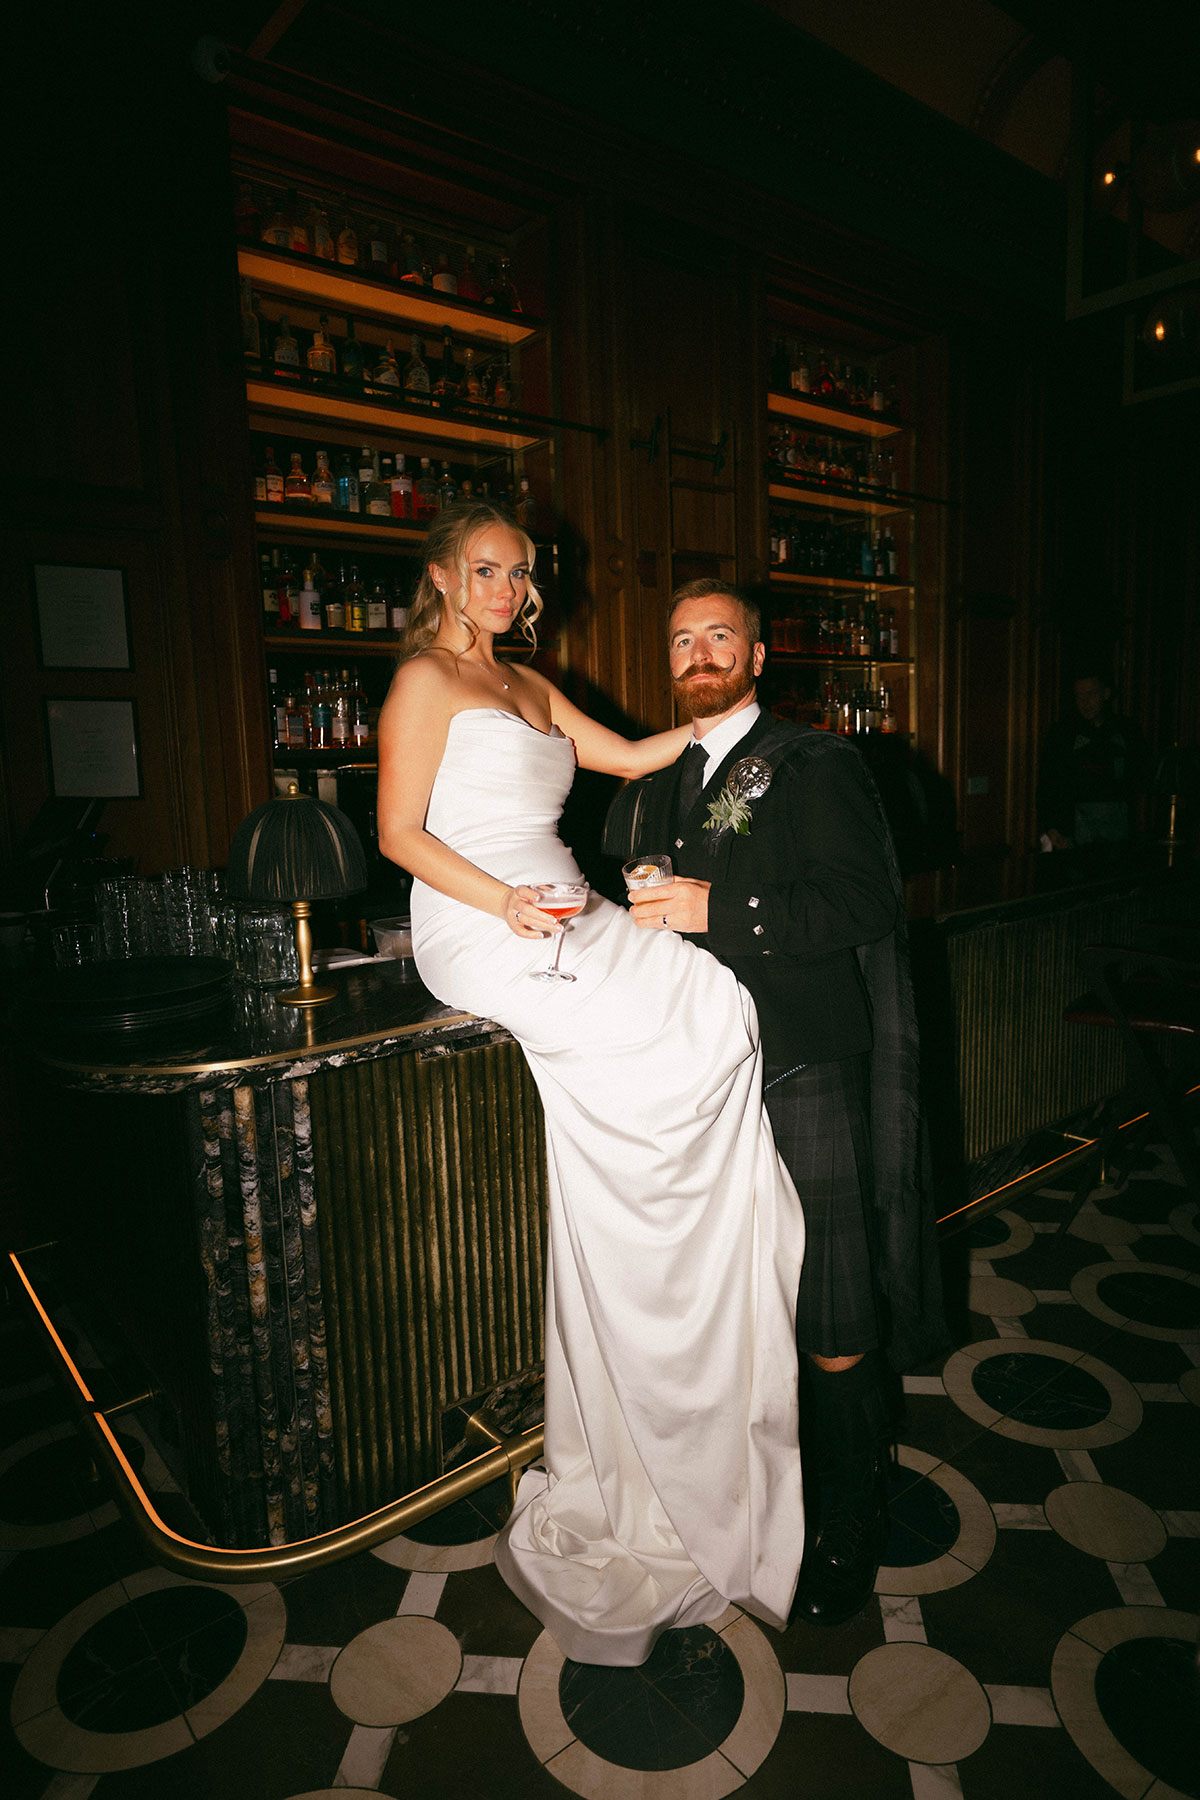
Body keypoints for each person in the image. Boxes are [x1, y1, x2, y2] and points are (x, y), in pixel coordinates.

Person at [375, 504, 807, 1668]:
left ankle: (684, 1273)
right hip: (477, 917)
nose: (511, 587)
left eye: (522, 571)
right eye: (487, 570)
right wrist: (501, 902)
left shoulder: (529, 679)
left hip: (569, 904)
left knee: (713, 1000)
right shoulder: (422, 681)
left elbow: (627, 755)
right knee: (651, 1049)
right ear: (445, 578)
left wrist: (750, 737)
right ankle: (649, 1262)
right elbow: (399, 834)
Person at [607, 578, 946, 1629]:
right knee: (737, 1312)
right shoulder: (656, 782)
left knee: (832, 1305)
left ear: (758, 657)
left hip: (801, 1068)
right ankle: (758, 1500)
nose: (699, 653)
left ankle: (851, 1518)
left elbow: (864, 902)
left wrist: (725, 907)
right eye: (681, 640)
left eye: (720, 636)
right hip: (696, 1086)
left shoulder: (812, 761)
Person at [1036, 669, 1151, 853]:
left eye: (1091, 694)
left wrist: (1140, 829)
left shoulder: (1127, 731)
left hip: (1119, 835)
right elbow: (1048, 784)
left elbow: (1142, 781)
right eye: (1079, 695)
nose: (1084, 702)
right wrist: (1052, 826)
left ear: (1105, 694)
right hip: (1072, 834)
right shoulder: (1062, 734)